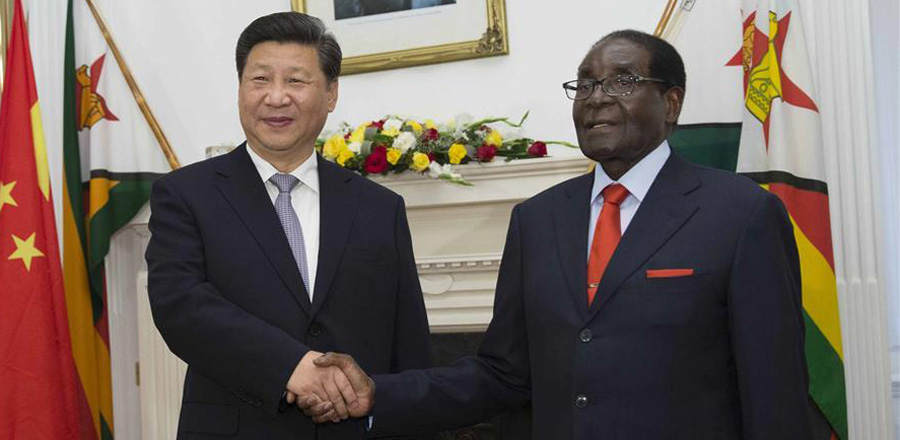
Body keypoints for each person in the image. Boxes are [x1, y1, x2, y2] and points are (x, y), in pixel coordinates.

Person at [306, 30, 814, 440]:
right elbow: (503, 373)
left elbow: (774, 393)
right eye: (585, 85)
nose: (597, 98)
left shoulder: (742, 214)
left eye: (623, 81)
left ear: (672, 102)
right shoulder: (537, 220)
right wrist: (377, 394)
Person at [145, 12, 432, 439]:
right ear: (240, 88)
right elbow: (181, 306)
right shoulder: (186, 194)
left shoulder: (380, 207)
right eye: (260, 80)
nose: (276, 97)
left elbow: (409, 346)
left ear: (331, 93)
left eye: (296, 81)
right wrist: (292, 368)